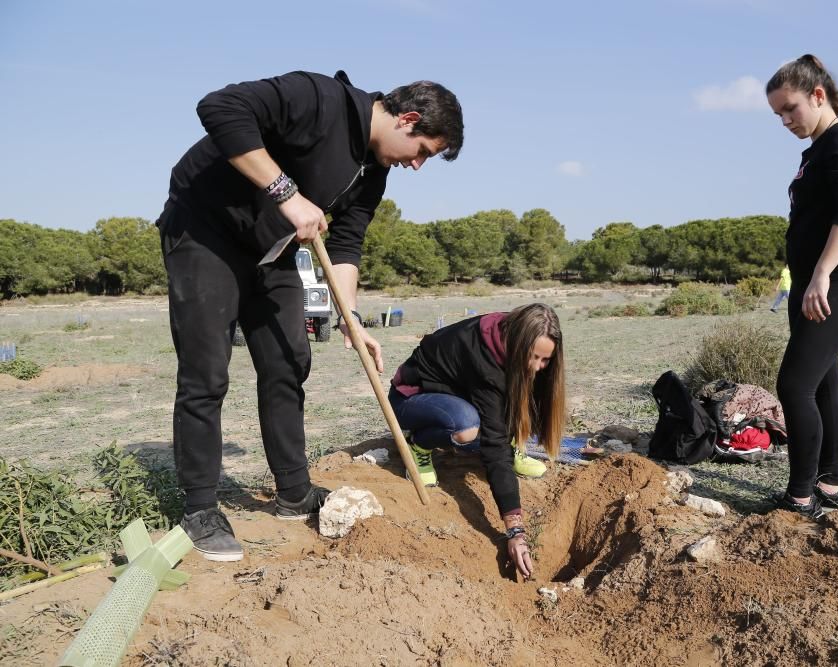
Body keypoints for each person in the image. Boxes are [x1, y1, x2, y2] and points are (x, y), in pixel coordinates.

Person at [156, 70, 464, 561]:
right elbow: (218, 107)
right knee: (206, 373)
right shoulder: (317, 99)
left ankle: (294, 493)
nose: (418, 165)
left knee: (288, 363)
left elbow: (346, 243)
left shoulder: (374, 170)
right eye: (424, 151)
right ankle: (199, 508)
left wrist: (352, 318)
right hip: (204, 235)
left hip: (269, 252)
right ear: (407, 120)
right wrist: (286, 193)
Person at [765, 55, 838, 518]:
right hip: (814, 285)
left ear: (818, 96)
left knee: (793, 385)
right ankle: (831, 486)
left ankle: (799, 498)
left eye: (790, 108)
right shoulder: (817, 150)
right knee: (822, 385)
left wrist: (821, 272)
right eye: (778, 114)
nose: (785, 120)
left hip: (835, 283)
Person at [388, 303, 565, 579]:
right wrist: (515, 529)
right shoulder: (484, 358)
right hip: (411, 401)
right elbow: (493, 443)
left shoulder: (514, 333)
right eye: (534, 357)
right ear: (519, 344)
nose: (538, 367)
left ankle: (514, 448)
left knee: (495, 413)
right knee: (467, 427)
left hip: (455, 392)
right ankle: (420, 445)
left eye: (545, 360)